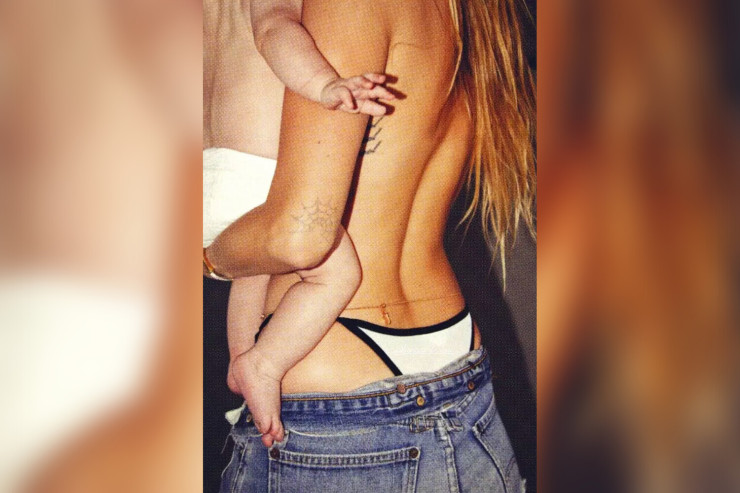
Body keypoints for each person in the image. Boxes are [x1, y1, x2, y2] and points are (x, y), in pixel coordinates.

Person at [205, 0, 535, 490]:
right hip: (456, 364)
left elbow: (300, 236)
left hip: (335, 377)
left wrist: (208, 257)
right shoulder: (466, 17)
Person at [203, 0, 395, 447]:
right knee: (335, 275)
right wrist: (324, 84)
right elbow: (274, 27)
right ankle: (263, 363)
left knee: (253, 272)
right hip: (252, 177)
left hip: (207, 176)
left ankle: (240, 360)